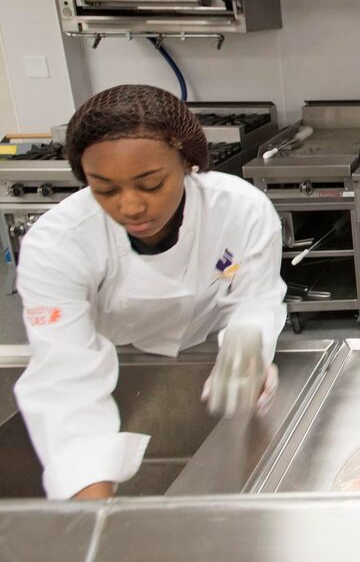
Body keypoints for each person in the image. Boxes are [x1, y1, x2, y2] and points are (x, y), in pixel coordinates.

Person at [14, 85, 287, 500]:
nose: (130, 206)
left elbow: (254, 297)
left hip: (204, 351)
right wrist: (95, 520)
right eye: (104, 189)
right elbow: (65, 379)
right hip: (114, 360)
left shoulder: (241, 209)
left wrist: (247, 340)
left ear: (188, 164)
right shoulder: (57, 243)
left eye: (151, 184)